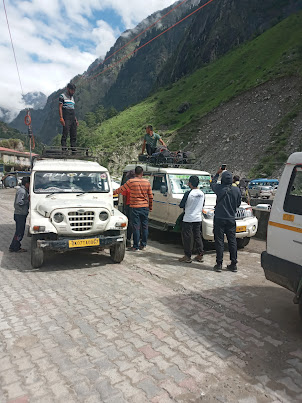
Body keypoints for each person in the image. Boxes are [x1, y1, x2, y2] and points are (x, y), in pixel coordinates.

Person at [113, 166, 153, 251]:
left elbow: (121, 189)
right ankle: (143, 244)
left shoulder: (131, 182)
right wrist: (150, 207)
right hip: (145, 207)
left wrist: (111, 193)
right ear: (142, 173)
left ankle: (135, 246)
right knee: (145, 226)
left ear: (135, 173)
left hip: (135, 207)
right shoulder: (147, 182)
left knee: (136, 227)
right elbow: (150, 196)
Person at [211, 167, 242, 272]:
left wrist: (217, 173)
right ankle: (233, 264)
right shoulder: (237, 190)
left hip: (219, 218)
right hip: (231, 218)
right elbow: (238, 204)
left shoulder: (219, 188)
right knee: (232, 241)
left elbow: (212, 183)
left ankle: (219, 264)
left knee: (219, 241)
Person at [179, 175, 205, 263]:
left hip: (188, 218)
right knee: (197, 236)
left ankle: (187, 256)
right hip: (198, 218)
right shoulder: (202, 193)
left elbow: (181, 205)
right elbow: (202, 205)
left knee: (188, 238)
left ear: (190, 183)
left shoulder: (188, 193)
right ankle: (200, 254)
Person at [9, 177, 30, 252]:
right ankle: (15, 247)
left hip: (20, 214)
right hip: (20, 214)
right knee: (19, 232)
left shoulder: (23, 190)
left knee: (19, 231)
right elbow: (19, 202)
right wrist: (28, 200)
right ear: (27, 184)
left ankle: (15, 246)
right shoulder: (22, 191)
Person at [59, 82, 78, 150]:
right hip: (66, 116)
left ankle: (74, 150)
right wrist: (61, 118)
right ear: (68, 89)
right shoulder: (62, 96)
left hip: (72, 116)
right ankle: (64, 149)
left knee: (73, 134)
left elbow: (72, 108)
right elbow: (60, 107)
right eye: (72, 90)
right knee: (65, 133)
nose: (73, 92)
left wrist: (75, 119)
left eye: (74, 90)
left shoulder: (72, 98)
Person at [122, 170, 135, 247]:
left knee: (129, 223)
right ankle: (138, 242)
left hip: (129, 205)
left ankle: (128, 240)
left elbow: (124, 196)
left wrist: (124, 207)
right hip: (139, 206)